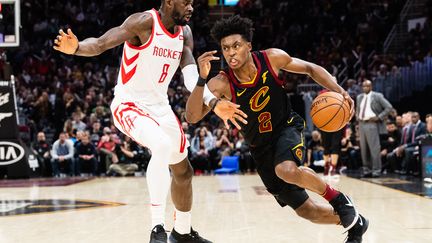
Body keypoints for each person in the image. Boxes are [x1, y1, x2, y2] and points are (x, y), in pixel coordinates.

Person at [53, 1, 246, 242]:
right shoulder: (143, 22)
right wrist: (77, 48)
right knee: (162, 146)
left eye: (192, 3)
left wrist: (214, 103)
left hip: (160, 108)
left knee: (184, 171)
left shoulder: (184, 33)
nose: (191, 7)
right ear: (168, 2)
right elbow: (101, 43)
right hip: (129, 104)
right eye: (185, 2)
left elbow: (190, 78)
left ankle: (183, 233)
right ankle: (157, 229)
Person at [185, 15, 368, 243]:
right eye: (225, 48)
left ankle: (339, 199)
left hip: (286, 128)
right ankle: (355, 222)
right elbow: (191, 116)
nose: (231, 52)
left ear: (249, 46)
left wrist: (340, 90)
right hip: (260, 149)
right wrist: (202, 80)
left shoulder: (271, 58)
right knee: (307, 211)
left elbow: (311, 69)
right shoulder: (221, 83)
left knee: (286, 169)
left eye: (236, 46)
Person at [356, 80, 393, 178]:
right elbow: (358, 110)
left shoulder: (377, 96)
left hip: (372, 123)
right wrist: (357, 118)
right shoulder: (359, 97)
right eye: (363, 86)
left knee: (374, 149)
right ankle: (366, 170)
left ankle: (376, 170)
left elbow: (389, 107)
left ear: (371, 87)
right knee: (364, 149)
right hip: (361, 123)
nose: (365, 88)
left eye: (367, 86)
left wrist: (379, 117)